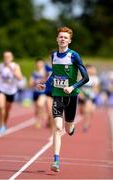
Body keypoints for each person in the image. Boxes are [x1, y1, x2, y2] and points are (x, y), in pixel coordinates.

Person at [38, 27, 89, 172]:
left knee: (67, 128)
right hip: (58, 95)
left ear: (69, 41)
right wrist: (45, 84)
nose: (62, 39)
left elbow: (86, 78)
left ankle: (71, 128)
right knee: (58, 128)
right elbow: (54, 73)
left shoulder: (74, 56)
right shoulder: (54, 54)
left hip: (71, 96)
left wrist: (72, 87)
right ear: (57, 39)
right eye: (60, 37)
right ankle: (56, 161)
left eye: (65, 38)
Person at [0, 51, 23, 134]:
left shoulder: (15, 66)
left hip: (11, 91)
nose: (6, 59)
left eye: (8, 57)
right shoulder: (0, 66)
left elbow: (20, 78)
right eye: (5, 57)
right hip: (1, 89)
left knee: (7, 110)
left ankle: (4, 123)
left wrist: (11, 69)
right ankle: (1, 124)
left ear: (12, 58)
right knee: (1, 106)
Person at [78, 64, 100, 132]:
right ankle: (87, 119)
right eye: (89, 69)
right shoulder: (81, 77)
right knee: (82, 111)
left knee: (88, 110)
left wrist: (93, 91)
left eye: (92, 69)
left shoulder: (95, 78)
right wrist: (80, 94)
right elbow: (78, 87)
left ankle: (86, 124)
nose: (91, 71)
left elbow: (96, 88)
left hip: (90, 96)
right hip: (82, 96)